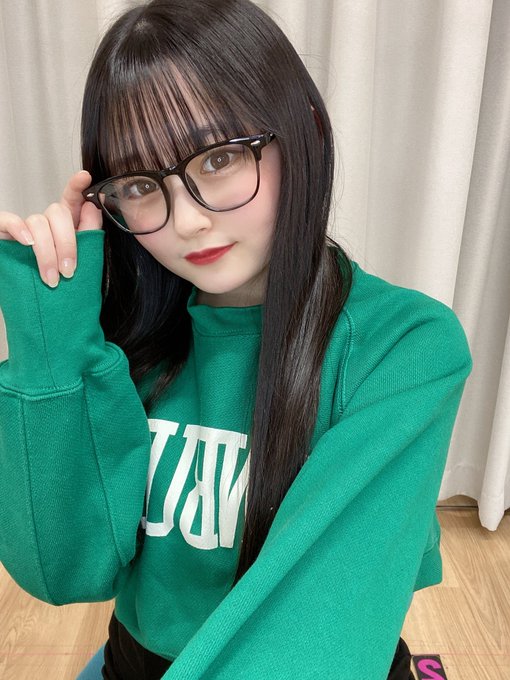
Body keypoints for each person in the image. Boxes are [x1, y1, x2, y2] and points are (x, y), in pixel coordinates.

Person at [0, 0, 472, 678]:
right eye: (141, 183)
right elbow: (63, 571)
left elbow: (316, 641)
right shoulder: (122, 344)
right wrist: (51, 342)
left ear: (303, 132)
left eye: (218, 158)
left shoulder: (404, 349)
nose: (187, 220)